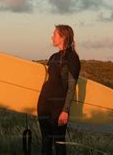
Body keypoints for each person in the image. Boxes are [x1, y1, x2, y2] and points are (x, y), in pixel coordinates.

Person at [37, 24, 81, 155]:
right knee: (45, 140)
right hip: (44, 103)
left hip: (58, 105)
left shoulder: (72, 57)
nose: (52, 37)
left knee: (59, 141)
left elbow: (71, 86)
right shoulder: (53, 57)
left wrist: (65, 110)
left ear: (63, 37)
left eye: (54, 34)